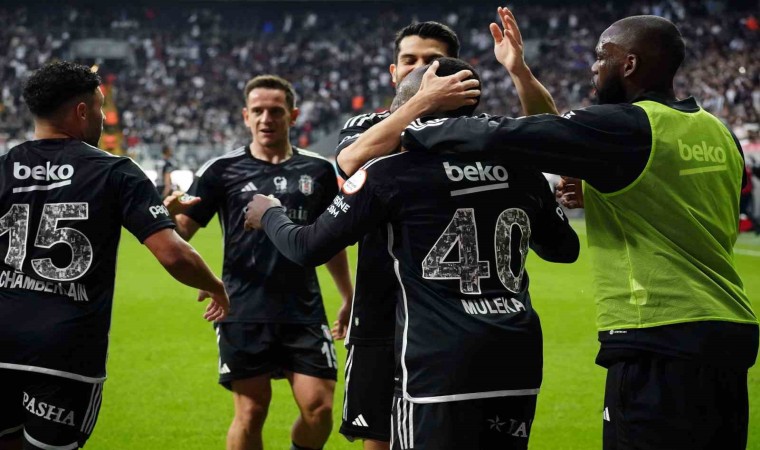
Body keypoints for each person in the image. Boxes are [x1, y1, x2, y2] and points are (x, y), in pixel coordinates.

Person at [400, 15, 759, 450]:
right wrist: (520, 73)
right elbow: (685, 201)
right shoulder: (718, 132)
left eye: (601, 57)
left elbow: (507, 137)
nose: (593, 67)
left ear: (628, 64)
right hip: (730, 332)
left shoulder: (626, 125)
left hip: (660, 332)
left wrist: (415, 117)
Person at [244, 57, 580, 450]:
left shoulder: (389, 173)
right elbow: (564, 249)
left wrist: (270, 214)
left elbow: (307, 247)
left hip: (437, 362)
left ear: (412, 109)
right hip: (516, 357)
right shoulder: (522, 170)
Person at [332, 9, 556, 449]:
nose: (419, 69)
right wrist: (419, 104)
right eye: (410, 61)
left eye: (431, 61)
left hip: (452, 323)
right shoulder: (365, 125)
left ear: (455, 70)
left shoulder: (478, 131)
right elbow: (351, 163)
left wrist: (518, 71)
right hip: (382, 308)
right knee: (378, 437)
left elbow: (548, 136)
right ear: (394, 71)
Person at [0, 61, 229, 450]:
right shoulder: (115, 170)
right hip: (65, 351)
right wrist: (215, 285)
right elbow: (173, 254)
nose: (105, 118)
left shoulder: (4, 167)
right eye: (101, 107)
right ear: (82, 111)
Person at [165, 75, 353, 450]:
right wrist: (168, 216)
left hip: (303, 309)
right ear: (245, 116)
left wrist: (348, 296)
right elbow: (181, 233)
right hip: (242, 308)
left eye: (276, 111)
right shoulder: (221, 169)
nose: (266, 118)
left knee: (319, 410)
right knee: (251, 412)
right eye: (258, 111)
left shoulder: (318, 171)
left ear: (293, 116)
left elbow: (329, 241)